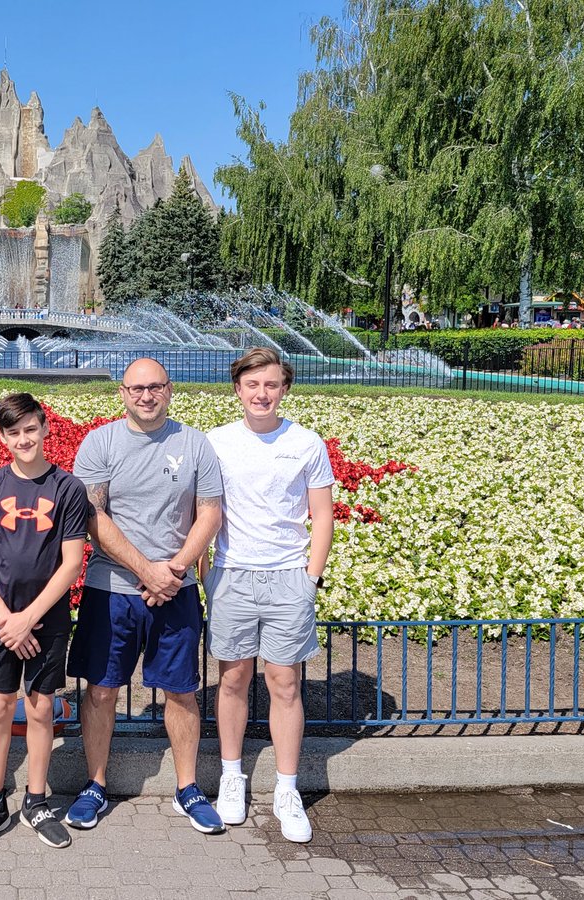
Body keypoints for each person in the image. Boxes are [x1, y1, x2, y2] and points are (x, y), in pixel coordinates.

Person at [65, 357, 225, 834]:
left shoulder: (194, 443)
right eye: (136, 388)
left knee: (181, 691)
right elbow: (93, 518)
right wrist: (145, 571)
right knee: (101, 690)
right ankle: (95, 785)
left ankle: (187, 788)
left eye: (155, 387)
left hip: (175, 588)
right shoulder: (101, 442)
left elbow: (210, 513)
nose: (146, 396)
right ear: (122, 392)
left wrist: (171, 572)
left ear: (169, 389)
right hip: (110, 587)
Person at [203, 347, 335, 844]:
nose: (262, 394)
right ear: (238, 389)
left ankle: (286, 788)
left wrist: (310, 578)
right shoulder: (215, 443)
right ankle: (232, 777)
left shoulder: (305, 443)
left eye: (272, 385)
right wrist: (207, 575)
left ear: (284, 389)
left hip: (287, 577)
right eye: (253, 385)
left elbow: (322, 515)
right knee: (233, 680)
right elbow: (203, 510)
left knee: (285, 684)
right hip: (233, 575)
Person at [0, 393, 90, 853]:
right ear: (2, 437)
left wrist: (29, 619)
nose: (23, 439)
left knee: (39, 709)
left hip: (46, 618)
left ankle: (36, 801)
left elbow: (71, 562)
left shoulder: (67, 488)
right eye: (13, 432)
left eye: (31, 429)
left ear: (45, 428)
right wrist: (5, 619)